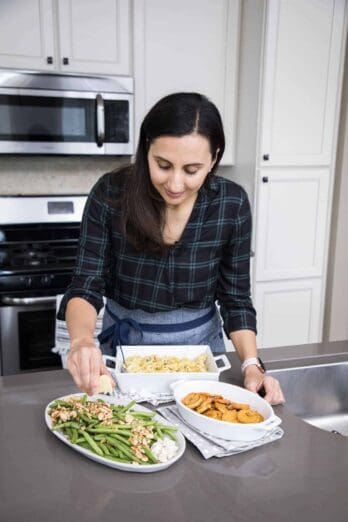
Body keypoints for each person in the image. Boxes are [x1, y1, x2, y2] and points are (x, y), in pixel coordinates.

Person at [58, 92, 284, 405]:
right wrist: (82, 340)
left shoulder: (230, 204)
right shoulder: (110, 194)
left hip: (200, 358)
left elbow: (235, 298)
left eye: (191, 170)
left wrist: (251, 365)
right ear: (146, 148)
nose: (175, 184)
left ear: (215, 158)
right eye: (163, 165)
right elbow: (86, 285)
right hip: (123, 355)